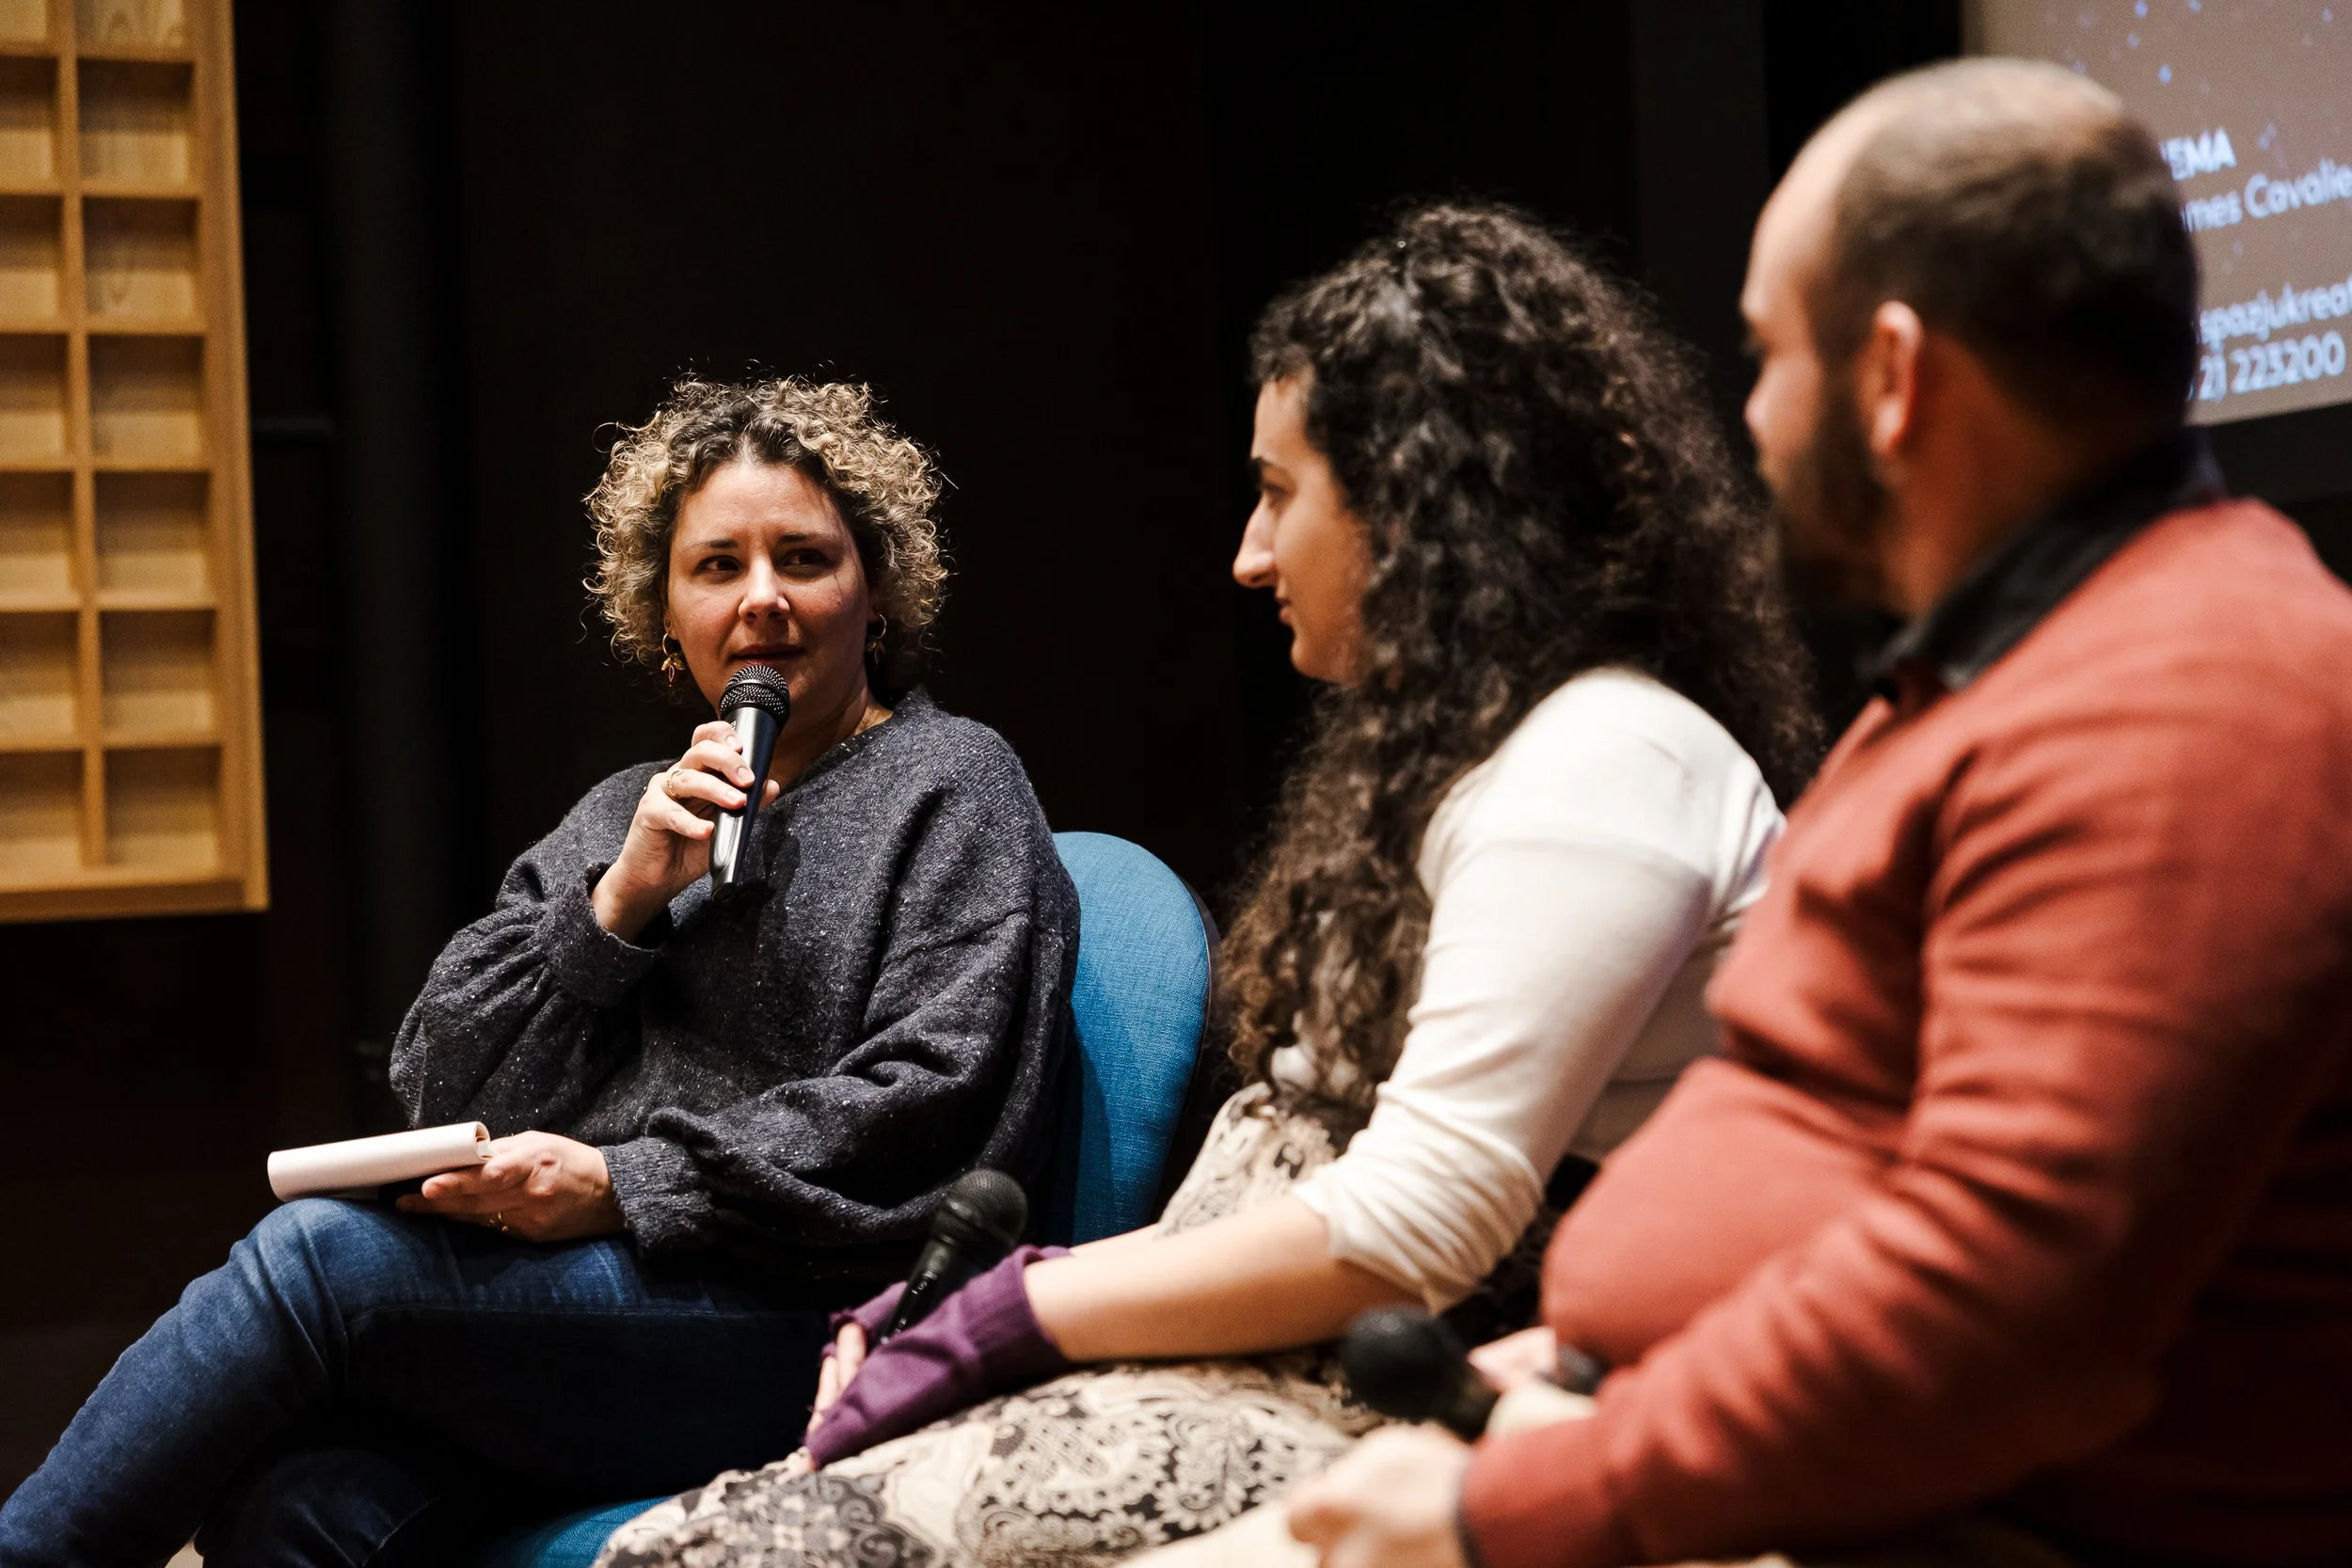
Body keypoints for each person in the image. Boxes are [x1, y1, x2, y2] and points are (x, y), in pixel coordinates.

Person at [597, 204, 1820, 1568]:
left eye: (1280, 492)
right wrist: (970, 1313)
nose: (1248, 552)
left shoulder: (1605, 763)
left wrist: (1010, 1315)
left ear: (1418, 504)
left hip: (1369, 1385)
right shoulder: (1476, 763)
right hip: (1260, 1358)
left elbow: (1417, 1228)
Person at [1285, 58, 2352, 1568]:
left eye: (1772, 353)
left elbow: (2006, 1310)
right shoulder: (1993, 678)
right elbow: (1850, 1155)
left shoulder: (2191, 701)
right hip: (1734, 1455)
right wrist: (1594, 1373)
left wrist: (1511, 1504)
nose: (1756, 416)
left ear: (1895, 376)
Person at [0, 376, 1080, 1568]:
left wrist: (629, 1180)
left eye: (804, 558)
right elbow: (443, 1071)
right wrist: (617, 903)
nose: (763, 598)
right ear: (666, 616)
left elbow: (945, 1099)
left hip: (810, 1314)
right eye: (718, 565)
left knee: (319, 1259)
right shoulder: (627, 812)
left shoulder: (953, 781)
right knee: (294, 1504)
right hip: (588, 1305)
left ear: (872, 594)